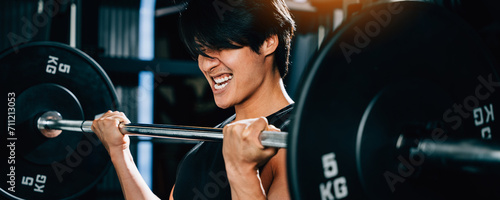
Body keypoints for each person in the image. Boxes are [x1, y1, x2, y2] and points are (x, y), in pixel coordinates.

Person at [91, 0, 296, 199]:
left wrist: (242, 170)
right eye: (202, 51)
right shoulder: (205, 145)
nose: (207, 65)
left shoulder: (296, 140)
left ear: (269, 41)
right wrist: (120, 152)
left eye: (220, 46)